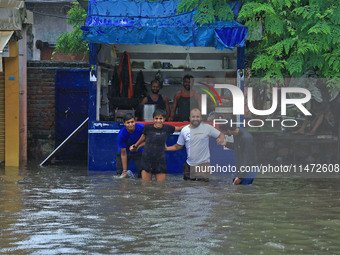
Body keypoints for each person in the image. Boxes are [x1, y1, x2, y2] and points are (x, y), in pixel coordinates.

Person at [166, 108, 226, 181]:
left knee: (203, 189)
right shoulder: (184, 130)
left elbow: (221, 135)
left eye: (197, 117)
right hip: (189, 166)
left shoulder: (207, 128)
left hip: (203, 165)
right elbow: (178, 145)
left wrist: (221, 139)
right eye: (193, 117)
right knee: (188, 188)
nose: (195, 119)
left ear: (200, 117)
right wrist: (166, 148)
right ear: (189, 118)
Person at [130, 109, 183, 181]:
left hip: (160, 160)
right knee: (146, 186)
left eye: (160, 118)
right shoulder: (148, 127)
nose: (158, 121)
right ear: (153, 119)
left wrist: (193, 125)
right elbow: (143, 137)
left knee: (161, 186)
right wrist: (136, 145)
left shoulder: (167, 128)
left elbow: (180, 128)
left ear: (164, 119)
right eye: (156, 118)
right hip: (147, 159)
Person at [116, 113, 144, 178]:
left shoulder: (141, 128)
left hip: (139, 151)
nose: (130, 124)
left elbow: (148, 141)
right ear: (124, 123)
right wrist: (125, 171)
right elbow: (123, 154)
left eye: (132, 122)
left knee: (142, 173)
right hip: (125, 152)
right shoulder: (121, 134)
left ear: (135, 121)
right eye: (128, 123)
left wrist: (138, 146)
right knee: (120, 174)